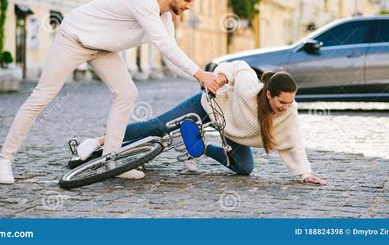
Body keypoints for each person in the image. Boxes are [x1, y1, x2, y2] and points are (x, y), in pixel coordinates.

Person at [0, 0, 226, 184]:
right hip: (73, 38)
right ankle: (4, 160)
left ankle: (111, 160)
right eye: (186, 0)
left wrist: (201, 79)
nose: (188, 7)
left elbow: (171, 61)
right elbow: (165, 46)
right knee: (43, 96)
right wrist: (200, 73)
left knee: (127, 92)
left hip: (103, 49)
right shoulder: (143, 1)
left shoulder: (165, 20)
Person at [77, 61, 327, 185]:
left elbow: (294, 141)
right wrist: (221, 76)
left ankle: (198, 146)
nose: (286, 106)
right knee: (158, 126)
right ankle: (99, 141)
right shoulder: (251, 88)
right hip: (210, 106)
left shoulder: (288, 112)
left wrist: (305, 173)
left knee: (245, 168)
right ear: (268, 93)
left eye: (290, 102)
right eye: (282, 102)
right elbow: (238, 67)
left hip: (233, 131)